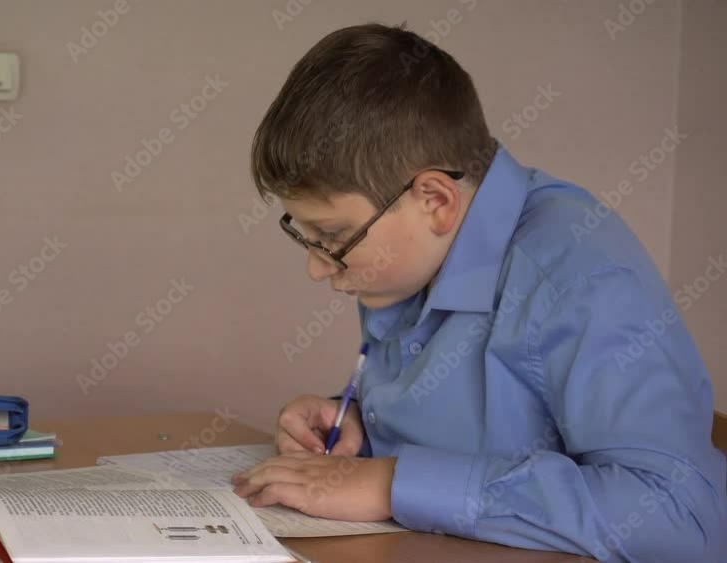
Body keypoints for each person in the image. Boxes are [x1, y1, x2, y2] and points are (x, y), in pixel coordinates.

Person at [230, 22, 727, 562]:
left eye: (332, 236)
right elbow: (468, 430)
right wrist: (354, 423)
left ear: (435, 201)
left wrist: (388, 483)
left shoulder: (579, 278)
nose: (316, 267)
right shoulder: (406, 251)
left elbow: (683, 517)